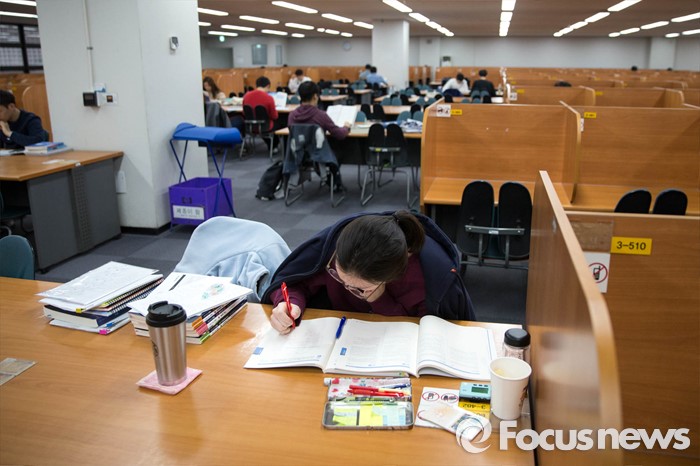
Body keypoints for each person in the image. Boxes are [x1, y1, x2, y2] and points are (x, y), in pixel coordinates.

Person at [262, 210, 476, 334]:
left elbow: (425, 332)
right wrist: (288, 303)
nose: (346, 287)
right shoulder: (335, 249)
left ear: (390, 278)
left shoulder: (428, 278)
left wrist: (379, 299)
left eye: (359, 288)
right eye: (337, 274)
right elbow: (296, 281)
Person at [242, 76, 279, 150]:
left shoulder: (246, 96)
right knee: (282, 121)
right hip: (266, 126)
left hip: (250, 126)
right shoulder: (269, 98)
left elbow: (244, 113)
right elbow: (274, 116)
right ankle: (275, 146)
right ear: (268, 86)